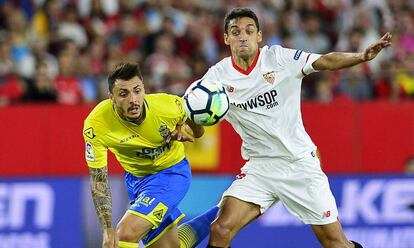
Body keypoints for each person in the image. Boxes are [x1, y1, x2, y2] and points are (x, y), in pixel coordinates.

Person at [201, 7, 392, 248]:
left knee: (335, 243)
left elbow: (324, 60)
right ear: (226, 38)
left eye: (249, 31)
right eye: (235, 31)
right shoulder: (217, 76)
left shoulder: (279, 59)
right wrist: (183, 128)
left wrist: (361, 56)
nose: (242, 36)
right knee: (220, 229)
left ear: (259, 36)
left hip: (299, 164)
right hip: (260, 167)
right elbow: (190, 106)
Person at [83, 62, 218, 248]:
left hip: (171, 174)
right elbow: (99, 179)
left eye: (137, 91)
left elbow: (199, 131)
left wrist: (185, 128)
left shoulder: (168, 106)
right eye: (124, 94)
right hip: (136, 182)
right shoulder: (96, 124)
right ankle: (223, 212)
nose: (133, 99)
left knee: (124, 234)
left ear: (144, 89)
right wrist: (106, 228)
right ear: (111, 98)